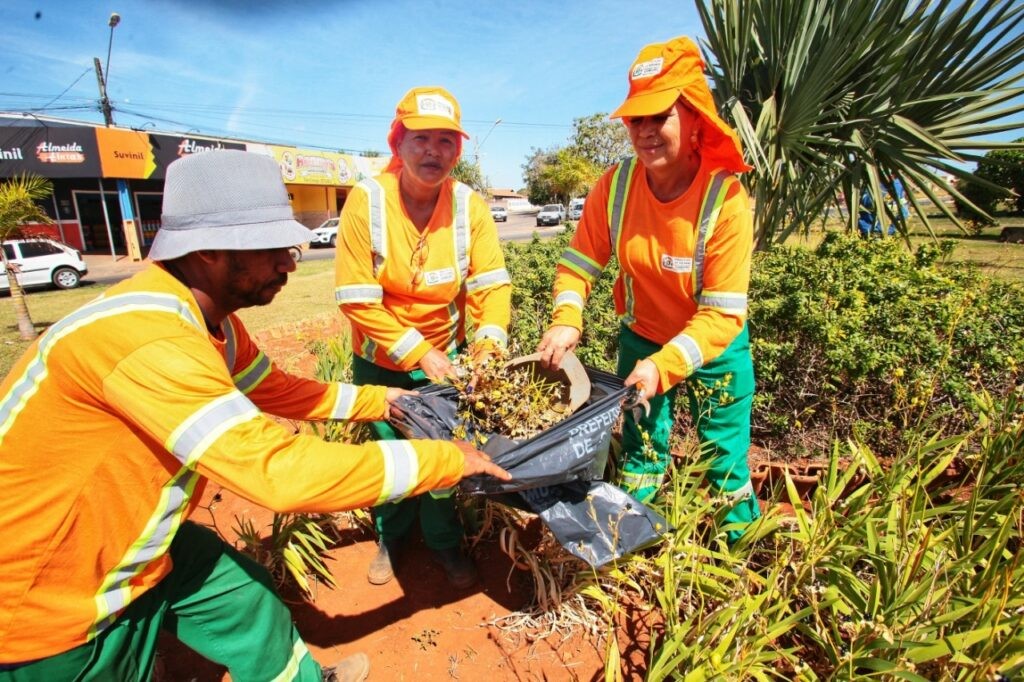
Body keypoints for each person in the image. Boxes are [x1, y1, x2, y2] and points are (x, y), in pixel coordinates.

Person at [0, 149, 510, 682]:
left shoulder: (204, 317)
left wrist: (383, 401)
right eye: (273, 249)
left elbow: (277, 389)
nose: (291, 263)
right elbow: (281, 474)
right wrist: (446, 459)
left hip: (130, 527)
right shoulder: (151, 342)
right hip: (47, 597)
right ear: (208, 253)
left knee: (249, 606)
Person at [537, 36, 760, 543]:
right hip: (641, 340)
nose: (645, 131)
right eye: (636, 119)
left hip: (714, 349)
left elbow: (723, 316)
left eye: (660, 116)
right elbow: (577, 264)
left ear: (695, 117)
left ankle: (739, 558)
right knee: (641, 455)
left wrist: (665, 365)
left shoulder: (725, 198)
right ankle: (642, 544)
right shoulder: (614, 186)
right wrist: (567, 318)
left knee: (725, 462)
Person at [335, 86, 511, 588]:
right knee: (392, 457)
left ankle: (443, 543)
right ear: (398, 143)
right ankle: (392, 540)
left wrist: (488, 346)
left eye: (445, 140)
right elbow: (356, 299)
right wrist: (418, 352)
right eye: (420, 138)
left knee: (442, 457)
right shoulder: (366, 202)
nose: (433, 150)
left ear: (458, 150)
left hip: (447, 362)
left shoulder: (468, 206)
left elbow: (491, 285)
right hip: (381, 363)